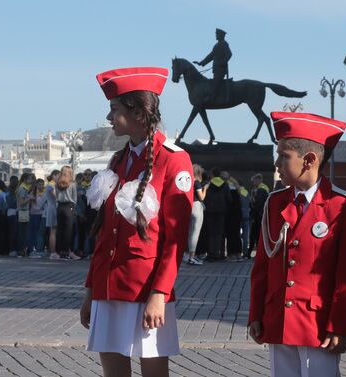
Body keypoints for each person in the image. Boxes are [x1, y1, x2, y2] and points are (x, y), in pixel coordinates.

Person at [79, 66, 193, 377]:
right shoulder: (118, 160)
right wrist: (91, 290)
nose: (108, 117)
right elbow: (103, 232)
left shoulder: (174, 160)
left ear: (139, 112)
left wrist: (160, 293)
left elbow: (175, 239)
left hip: (146, 289)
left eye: (114, 109)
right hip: (108, 285)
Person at [248, 112, 346, 377]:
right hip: (279, 319)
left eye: (283, 155)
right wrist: (256, 313)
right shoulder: (275, 202)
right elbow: (262, 266)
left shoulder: (343, 206)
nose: (276, 163)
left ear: (309, 160)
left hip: (317, 324)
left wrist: (340, 325)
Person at [194, 28, 232, 102]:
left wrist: (221, 62)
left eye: (217, 34)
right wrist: (201, 63)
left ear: (221, 35)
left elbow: (229, 54)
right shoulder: (217, 45)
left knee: (216, 82)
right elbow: (211, 56)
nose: (216, 36)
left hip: (221, 69)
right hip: (216, 69)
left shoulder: (224, 43)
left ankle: (213, 98)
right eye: (216, 34)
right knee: (214, 82)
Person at [203, 167, 231, 261]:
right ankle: (218, 253)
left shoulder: (209, 184)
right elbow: (229, 199)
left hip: (210, 212)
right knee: (219, 233)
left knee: (211, 233)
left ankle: (210, 254)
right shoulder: (225, 184)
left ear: (213, 174)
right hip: (221, 212)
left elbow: (205, 197)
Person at [55, 165, 79, 260]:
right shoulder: (72, 184)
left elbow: (56, 196)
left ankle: (59, 251)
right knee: (68, 231)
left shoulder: (57, 183)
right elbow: (75, 198)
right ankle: (66, 251)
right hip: (69, 207)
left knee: (60, 230)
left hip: (60, 206)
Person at [185, 163, 207, 266]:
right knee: (195, 233)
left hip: (188, 207)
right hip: (197, 207)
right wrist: (206, 188)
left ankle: (188, 255)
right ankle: (192, 257)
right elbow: (201, 197)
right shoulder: (197, 182)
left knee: (190, 233)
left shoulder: (188, 182)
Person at [247, 173, 269, 258]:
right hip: (261, 215)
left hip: (258, 216)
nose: (253, 183)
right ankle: (258, 254)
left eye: (254, 181)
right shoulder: (265, 188)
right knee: (259, 235)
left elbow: (258, 204)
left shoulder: (260, 190)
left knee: (254, 235)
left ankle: (250, 254)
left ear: (258, 180)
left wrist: (253, 215)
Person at [45, 170, 60, 259]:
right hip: (52, 208)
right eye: (58, 176)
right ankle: (53, 252)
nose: (59, 177)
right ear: (54, 176)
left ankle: (53, 251)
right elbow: (56, 196)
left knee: (53, 231)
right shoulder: (51, 185)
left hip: (53, 207)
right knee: (53, 231)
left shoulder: (52, 185)